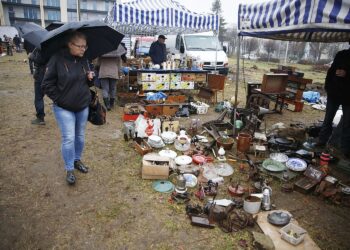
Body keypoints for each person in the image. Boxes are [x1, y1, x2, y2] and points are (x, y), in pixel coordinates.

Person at [41, 31, 93, 185]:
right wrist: (61, 99)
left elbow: (87, 82)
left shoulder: (84, 60)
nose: (83, 49)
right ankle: (69, 168)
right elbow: (46, 84)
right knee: (69, 138)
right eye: (80, 46)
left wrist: (90, 78)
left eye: (85, 46)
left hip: (82, 106)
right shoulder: (56, 59)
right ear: (70, 44)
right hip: (64, 108)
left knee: (80, 137)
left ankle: (77, 160)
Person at [317, 46, 350, 159]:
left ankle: (345, 150)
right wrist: (328, 87)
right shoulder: (341, 54)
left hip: (348, 96)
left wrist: (347, 74)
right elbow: (331, 71)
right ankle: (322, 141)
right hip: (334, 93)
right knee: (328, 119)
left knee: (347, 123)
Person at [29, 48, 46, 125]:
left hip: (41, 75)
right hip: (52, 74)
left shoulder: (40, 46)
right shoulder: (54, 45)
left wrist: (31, 56)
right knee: (57, 96)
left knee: (38, 97)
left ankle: (40, 118)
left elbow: (40, 60)